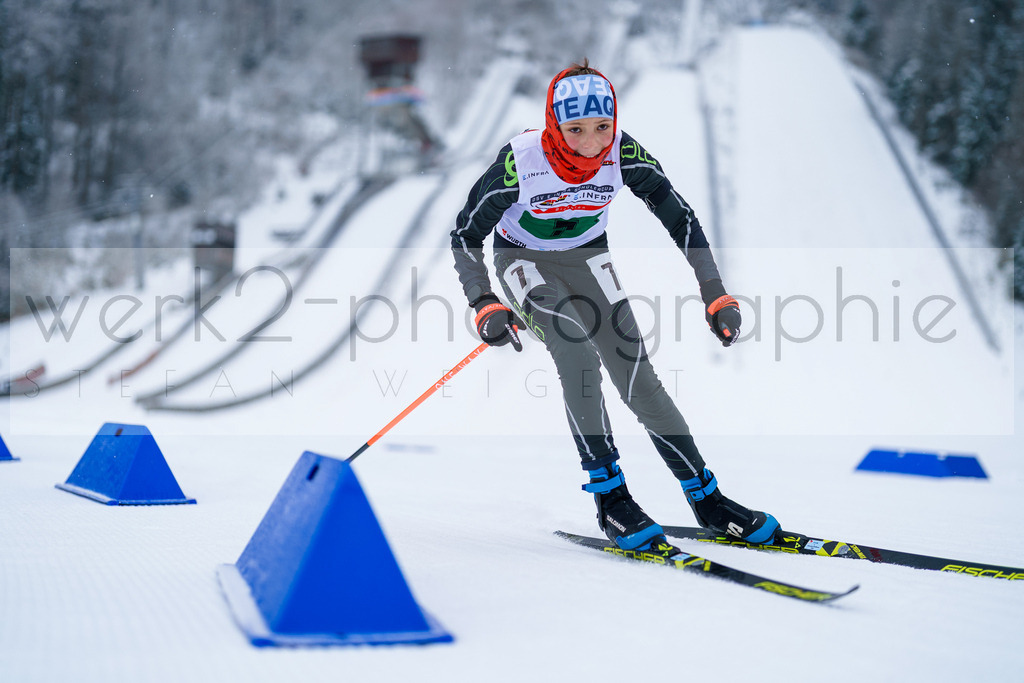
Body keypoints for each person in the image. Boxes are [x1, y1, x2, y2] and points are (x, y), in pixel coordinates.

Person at [450, 60, 780, 554]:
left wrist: (714, 291)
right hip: (524, 260)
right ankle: (611, 499)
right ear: (553, 125)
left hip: (588, 258)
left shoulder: (623, 153)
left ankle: (707, 500)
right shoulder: (520, 162)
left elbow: (680, 216)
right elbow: (464, 235)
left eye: (602, 127)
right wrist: (484, 302)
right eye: (576, 129)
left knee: (637, 373)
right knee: (577, 355)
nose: (591, 143)